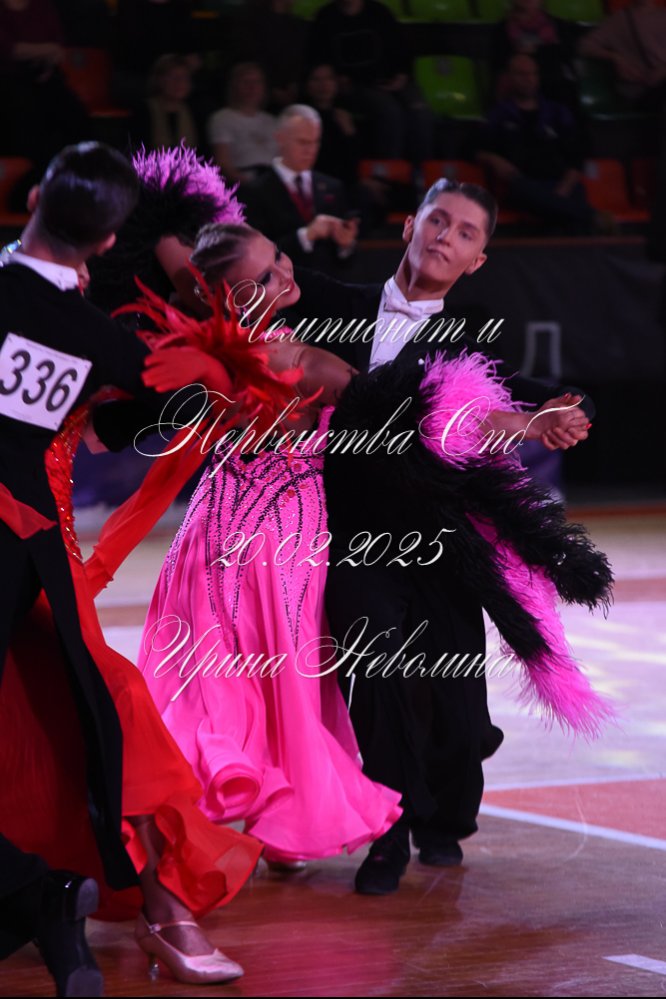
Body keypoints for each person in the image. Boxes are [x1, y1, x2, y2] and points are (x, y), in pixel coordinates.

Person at [291, 177, 610, 894]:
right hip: (353, 537)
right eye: (438, 220)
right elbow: (264, 279)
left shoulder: (468, 340)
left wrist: (571, 411)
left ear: (477, 259)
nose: (446, 236)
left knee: (457, 707)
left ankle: (445, 818)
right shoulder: (336, 304)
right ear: (410, 225)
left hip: (442, 541)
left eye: (466, 232)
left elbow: (545, 394)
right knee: (376, 678)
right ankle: (389, 829)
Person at [0, 143, 261, 992]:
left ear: (33, 197)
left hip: (38, 552)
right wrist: (216, 374)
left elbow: (117, 425)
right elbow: (149, 403)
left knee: (107, 699)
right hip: (31, 542)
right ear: (112, 241)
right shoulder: (97, 334)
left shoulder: (97, 329)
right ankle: (46, 900)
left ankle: (136, 900)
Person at [138, 220, 404, 864]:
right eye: (264, 276)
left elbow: (176, 256)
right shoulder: (301, 361)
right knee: (278, 676)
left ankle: (206, 804)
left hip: (209, 530)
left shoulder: (204, 354)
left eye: (280, 257)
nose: (285, 273)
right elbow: (406, 412)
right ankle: (281, 815)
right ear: (231, 297)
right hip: (279, 537)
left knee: (210, 676)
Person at [475, 54, 600, 235]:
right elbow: (474, 148)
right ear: (509, 77)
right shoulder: (499, 114)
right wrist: (492, 159)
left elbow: (577, 153)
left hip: (559, 182)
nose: (529, 79)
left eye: (533, 74)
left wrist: (564, 187)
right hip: (523, 184)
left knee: (574, 194)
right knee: (523, 191)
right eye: (522, 74)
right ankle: (592, 217)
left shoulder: (557, 112)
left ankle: (570, 219)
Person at [242, 104, 358, 273]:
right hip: (282, 285)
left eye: (315, 142)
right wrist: (305, 236)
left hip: (326, 284)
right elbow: (255, 255)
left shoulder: (333, 187)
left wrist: (345, 244)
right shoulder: (256, 191)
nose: (310, 150)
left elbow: (346, 262)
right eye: (303, 142)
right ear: (280, 138)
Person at [208, 62, 279, 185]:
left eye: (257, 82)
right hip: (242, 181)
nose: (252, 87)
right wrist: (251, 185)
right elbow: (223, 164)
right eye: (246, 82)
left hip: (273, 179)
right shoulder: (222, 118)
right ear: (235, 86)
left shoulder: (272, 121)